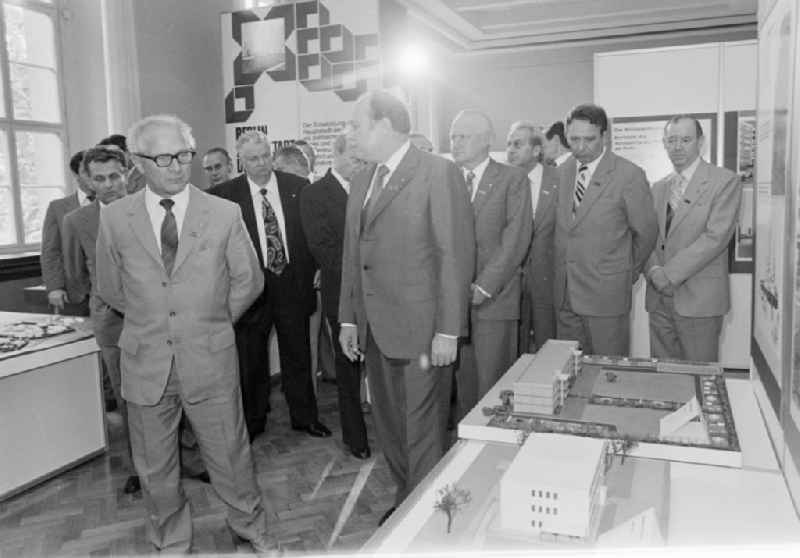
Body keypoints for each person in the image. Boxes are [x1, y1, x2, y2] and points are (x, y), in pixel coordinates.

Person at [95, 114, 274, 554]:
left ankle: (251, 531)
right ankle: (171, 542)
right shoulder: (116, 219)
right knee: (155, 469)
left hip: (209, 357)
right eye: (164, 157)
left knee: (231, 458)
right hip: (146, 361)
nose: (177, 166)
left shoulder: (224, 212)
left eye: (184, 155)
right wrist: (160, 321)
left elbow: (248, 281)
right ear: (138, 162)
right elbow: (110, 287)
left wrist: (209, 321)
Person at [339, 91, 475, 522]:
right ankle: (407, 501)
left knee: (423, 431)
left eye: (356, 126)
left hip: (423, 332)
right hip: (375, 330)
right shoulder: (363, 179)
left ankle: (427, 518)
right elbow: (352, 255)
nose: (350, 135)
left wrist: (449, 330)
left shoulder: (438, 172)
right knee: (391, 427)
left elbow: (454, 253)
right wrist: (347, 318)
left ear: (384, 126)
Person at [211, 131, 330, 441]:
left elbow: (313, 233)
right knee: (251, 359)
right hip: (250, 287)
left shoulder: (297, 187)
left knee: (298, 354)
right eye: (253, 159)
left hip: (292, 281)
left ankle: (305, 417)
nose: (261, 163)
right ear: (241, 161)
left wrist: (318, 267)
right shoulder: (225, 195)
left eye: (265, 156)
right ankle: (254, 420)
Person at [62, 146, 140, 495]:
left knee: (173, 390)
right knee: (126, 397)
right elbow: (76, 278)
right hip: (111, 323)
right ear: (88, 181)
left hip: (158, 318)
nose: (109, 184)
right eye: (99, 178)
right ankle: (141, 467)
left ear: (127, 173)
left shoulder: (151, 209)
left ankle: (188, 458)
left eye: (115, 176)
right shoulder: (77, 221)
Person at [554, 103, 658, 356]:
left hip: (607, 293)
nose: (580, 147)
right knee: (569, 371)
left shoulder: (629, 175)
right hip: (565, 292)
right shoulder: (561, 172)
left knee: (607, 371)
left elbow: (646, 233)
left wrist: (624, 272)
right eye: (574, 139)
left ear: (605, 136)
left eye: (589, 139)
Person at [450, 109, 531, 417]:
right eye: (453, 137)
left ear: (486, 141)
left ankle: (496, 451)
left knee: (494, 385)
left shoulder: (512, 179)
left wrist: (484, 286)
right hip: (455, 302)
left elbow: (516, 238)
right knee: (465, 384)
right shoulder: (447, 178)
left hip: (494, 298)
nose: (456, 143)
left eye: (464, 137)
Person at [645, 115, 742, 362]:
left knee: (700, 381)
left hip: (699, 300)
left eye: (685, 140)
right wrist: (654, 269)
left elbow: (715, 238)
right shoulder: (658, 188)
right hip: (658, 300)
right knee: (665, 379)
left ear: (701, 141)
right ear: (664, 143)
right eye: (671, 140)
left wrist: (668, 274)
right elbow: (646, 236)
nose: (677, 147)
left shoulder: (724, 182)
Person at [300, 132, 370, 459]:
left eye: (363, 160)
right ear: (337, 155)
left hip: (379, 293)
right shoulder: (315, 194)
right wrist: (364, 269)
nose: (360, 165)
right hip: (341, 292)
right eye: (355, 159)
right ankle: (355, 438)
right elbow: (322, 248)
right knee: (347, 367)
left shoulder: (372, 186)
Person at [506, 121, 560, 352]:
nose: (510, 149)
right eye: (508, 144)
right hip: (509, 281)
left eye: (517, 144)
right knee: (512, 350)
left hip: (549, 280)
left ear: (537, 150)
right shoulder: (501, 180)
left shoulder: (560, 179)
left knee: (550, 349)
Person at [40, 150, 94, 315]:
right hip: (74, 291)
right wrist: (55, 287)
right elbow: (51, 251)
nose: (93, 176)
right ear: (75, 175)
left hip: (110, 290)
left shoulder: (114, 204)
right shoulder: (57, 208)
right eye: (87, 172)